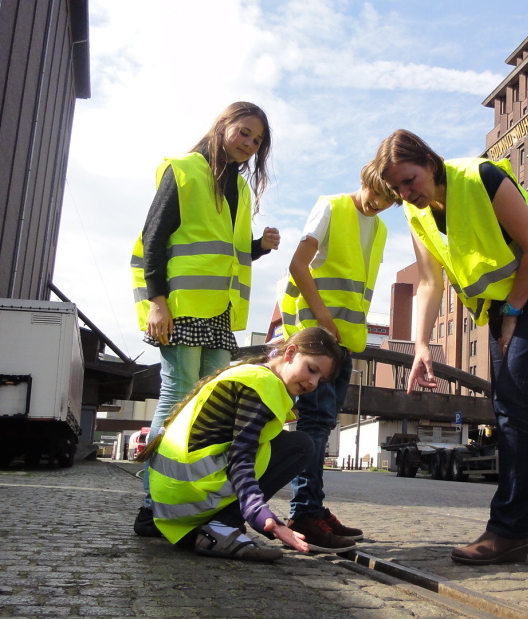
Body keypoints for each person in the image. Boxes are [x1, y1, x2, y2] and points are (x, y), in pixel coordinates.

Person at [370, 129, 528, 566]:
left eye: (410, 181)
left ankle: (510, 529)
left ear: (430, 162)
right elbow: (429, 281)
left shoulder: (481, 177)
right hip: (508, 300)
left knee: (511, 400)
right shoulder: (418, 215)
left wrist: (515, 312)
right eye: (397, 189)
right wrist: (422, 343)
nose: (407, 194)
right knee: (511, 405)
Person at [131, 102, 281, 536]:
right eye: (245, 132)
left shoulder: (239, 189)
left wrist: (259, 246)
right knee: (177, 395)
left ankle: (194, 502)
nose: (249, 145)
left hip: (219, 312)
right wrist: (158, 302)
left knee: (215, 408)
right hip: (180, 306)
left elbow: (222, 250)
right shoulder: (183, 170)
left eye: (257, 141)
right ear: (223, 125)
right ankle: (151, 504)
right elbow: (153, 238)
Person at [135, 327, 344, 563]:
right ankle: (221, 528)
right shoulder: (262, 385)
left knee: (280, 443)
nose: (313, 382)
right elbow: (241, 457)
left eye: (320, 379)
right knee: (300, 445)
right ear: (290, 353)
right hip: (190, 503)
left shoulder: (249, 373)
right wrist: (261, 515)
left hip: (173, 505)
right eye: (312, 369)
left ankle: (216, 523)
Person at [278, 162, 398, 552]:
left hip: (345, 339)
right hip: (317, 334)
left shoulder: (379, 228)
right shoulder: (331, 206)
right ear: (365, 179)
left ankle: (312, 507)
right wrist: (324, 318)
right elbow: (298, 265)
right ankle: (306, 514)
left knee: (323, 423)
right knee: (314, 424)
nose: (380, 204)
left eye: (390, 199)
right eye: (378, 193)